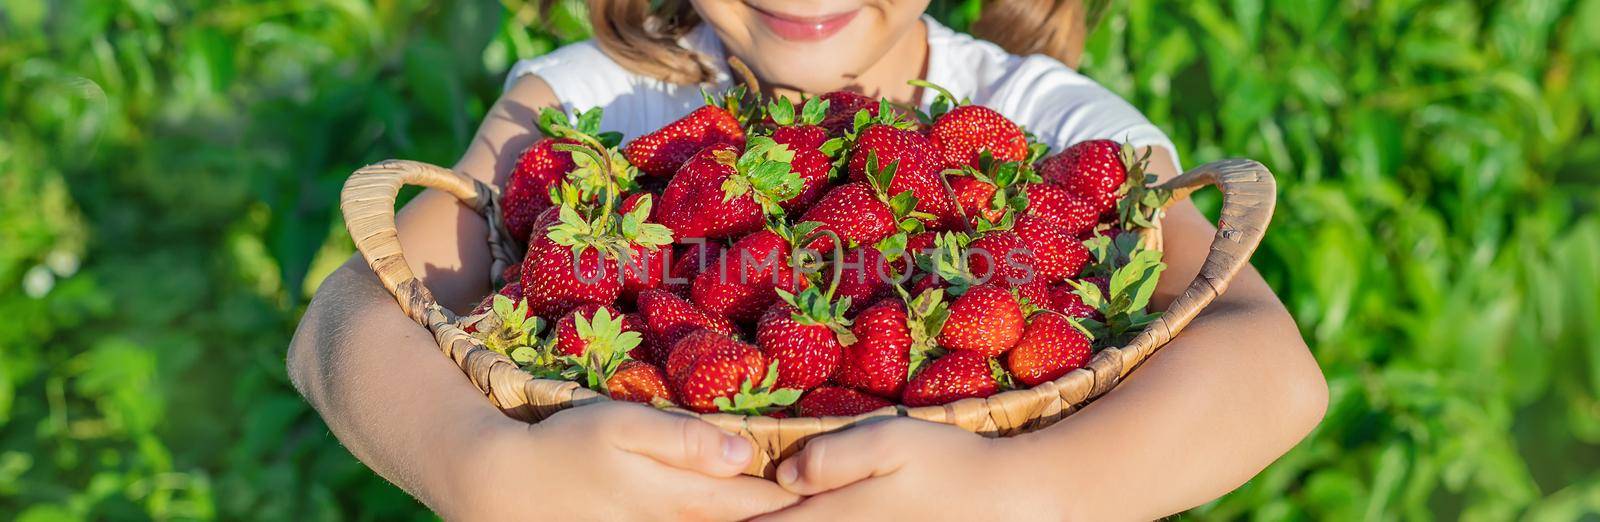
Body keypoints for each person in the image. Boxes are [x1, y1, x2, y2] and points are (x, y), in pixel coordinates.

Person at [288, 0, 1328, 519]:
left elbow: (1268, 370)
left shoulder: (1045, 126)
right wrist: (487, 469)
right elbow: (343, 322)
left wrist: (1023, 492)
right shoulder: (590, 102)